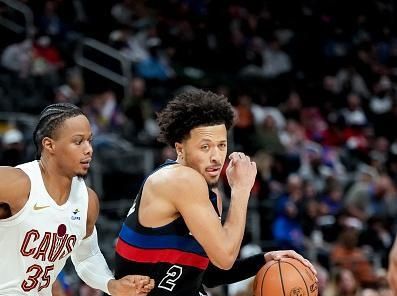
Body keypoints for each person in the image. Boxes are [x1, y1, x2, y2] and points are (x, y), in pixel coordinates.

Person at [114, 89, 317, 295]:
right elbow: (225, 258)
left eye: (221, 145)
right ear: (180, 149)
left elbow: (210, 275)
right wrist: (241, 189)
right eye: (205, 147)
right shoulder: (180, 179)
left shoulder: (209, 194)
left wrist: (264, 259)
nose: (217, 157)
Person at [0, 103, 154, 295]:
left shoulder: (87, 200)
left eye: (90, 140)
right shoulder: (16, 183)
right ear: (49, 145)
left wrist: (112, 285)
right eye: (78, 141)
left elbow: (87, 256)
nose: (89, 149)